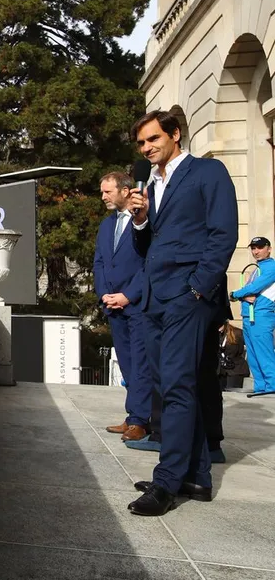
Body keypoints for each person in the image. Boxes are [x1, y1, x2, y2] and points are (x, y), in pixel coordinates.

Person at [126, 109, 238, 516]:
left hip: (188, 296)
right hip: (155, 297)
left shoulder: (208, 172)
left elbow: (223, 234)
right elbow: (148, 247)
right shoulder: (152, 185)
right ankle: (196, 476)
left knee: (176, 386)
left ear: (175, 134)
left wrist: (197, 289)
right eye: (141, 143)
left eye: (153, 139)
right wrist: (141, 220)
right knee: (171, 386)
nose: (146, 148)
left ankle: (167, 480)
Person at [95, 170, 151, 441]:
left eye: (108, 191)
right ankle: (133, 415)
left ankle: (141, 420)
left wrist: (128, 295)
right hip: (113, 307)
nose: (103, 196)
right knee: (127, 364)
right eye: (102, 192)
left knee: (141, 364)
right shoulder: (107, 225)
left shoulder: (145, 221)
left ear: (126, 190)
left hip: (138, 305)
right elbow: (99, 262)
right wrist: (104, 294)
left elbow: (149, 264)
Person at [230, 236, 275, 395]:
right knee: (253, 356)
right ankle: (261, 387)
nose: (256, 251)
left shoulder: (271, 267)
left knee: (264, 353)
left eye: (260, 247)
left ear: (269, 249)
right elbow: (249, 293)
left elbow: (254, 288)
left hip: (261, 316)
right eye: (253, 248)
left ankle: (271, 387)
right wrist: (241, 296)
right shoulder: (258, 268)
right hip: (249, 316)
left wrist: (234, 294)